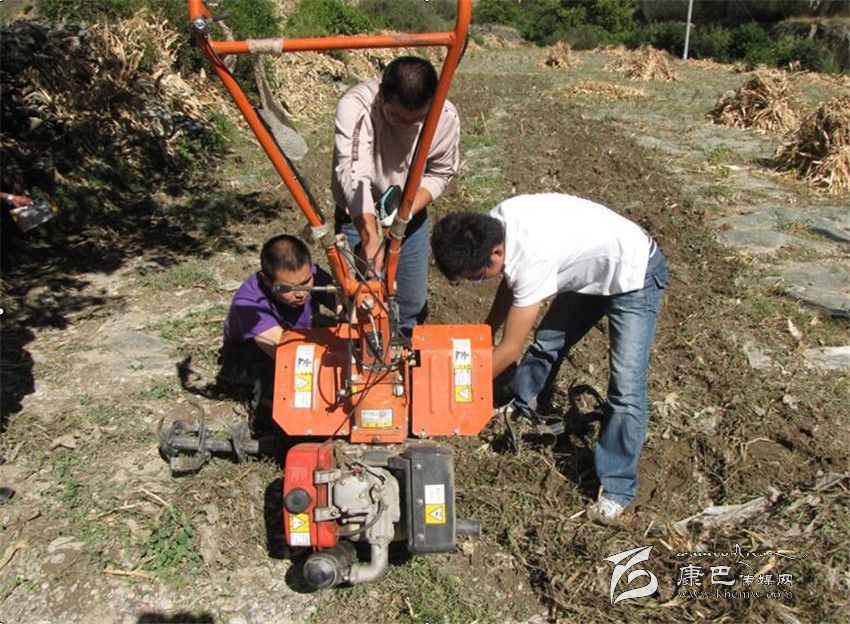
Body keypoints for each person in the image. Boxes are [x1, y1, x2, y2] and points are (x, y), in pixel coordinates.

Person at [430, 193, 668, 525]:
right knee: (548, 342)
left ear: (496, 252)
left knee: (625, 388)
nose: (479, 282)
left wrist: (456, 391)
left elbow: (510, 349)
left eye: (478, 276)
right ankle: (523, 405)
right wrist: (484, 332)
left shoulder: (532, 257)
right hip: (592, 269)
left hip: (633, 274)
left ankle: (617, 490)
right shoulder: (496, 224)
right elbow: (511, 284)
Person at [332, 55, 460, 333]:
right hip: (358, 212)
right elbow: (353, 176)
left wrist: (404, 214)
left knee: (410, 301)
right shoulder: (357, 107)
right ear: (382, 96)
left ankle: (405, 341)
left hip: (409, 212)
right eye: (397, 117)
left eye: (417, 119)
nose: (405, 125)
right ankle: (361, 346)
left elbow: (441, 172)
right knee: (361, 296)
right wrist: (370, 235)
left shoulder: (444, 117)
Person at [221, 234, 337, 431]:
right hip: (254, 353)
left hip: (295, 337)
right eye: (289, 288)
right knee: (280, 382)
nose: (301, 293)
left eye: (306, 281)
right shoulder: (248, 304)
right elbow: (286, 355)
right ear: (267, 281)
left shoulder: (309, 274)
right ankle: (270, 427)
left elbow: (345, 305)